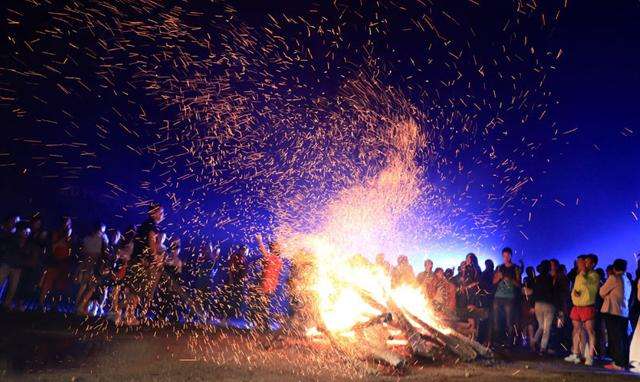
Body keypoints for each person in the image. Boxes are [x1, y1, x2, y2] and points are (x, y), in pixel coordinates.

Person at [123, 203, 164, 325]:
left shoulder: (145, 224)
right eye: (161, 213)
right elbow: (151, 240)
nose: (163, 215)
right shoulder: (151, 225)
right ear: (154, 213)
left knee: (135, 290)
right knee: (137, 291)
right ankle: (129, 317)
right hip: (141, 262)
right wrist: (155, 256)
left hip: (137, 261)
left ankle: (128, 315)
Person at [564, 254, 600, 366]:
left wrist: (583, 271)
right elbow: (576, 289)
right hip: (577, 306)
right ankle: (576, 354)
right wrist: (574, 294)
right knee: (576, 330)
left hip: (587, 306)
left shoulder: (594, 275)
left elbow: (588, 285)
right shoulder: (579, 275)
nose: (585, 263)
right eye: (584, 261)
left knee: (590, 331)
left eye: (587, 262)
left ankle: (590, 357)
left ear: (593, 263)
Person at [600, 259, 632, 370]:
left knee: (615, 337)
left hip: (613, 311)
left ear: (614, 268)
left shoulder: (613, 278)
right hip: (624, 312)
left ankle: (618, 363)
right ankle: (624, 362)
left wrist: (607, 295)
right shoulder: (627, 279)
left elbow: (602, 292)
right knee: (623, 338)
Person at [39, 217, 73, 310]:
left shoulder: (70, 235)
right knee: (48, 283)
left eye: (68, 223)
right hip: (54, 261)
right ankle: (41, 303)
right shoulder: (56, 233)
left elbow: (71, 248)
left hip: (64, 263)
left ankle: (55, 305)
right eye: (65, 222)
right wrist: (60, 241)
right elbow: (53, 246)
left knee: (59, 285)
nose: (66, 224)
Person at [76, 222, 108, 315]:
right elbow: (104, 253)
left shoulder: (87, 238)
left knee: (83, 286)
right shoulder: (102, 238)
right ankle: (82, 306)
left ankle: (78, 306)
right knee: (92, 288)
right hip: (95, 265)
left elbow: (82, 251)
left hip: (86, 264)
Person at [492, 247, 521, 347]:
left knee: (509, 320)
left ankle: (509, 342)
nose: (506, 257)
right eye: (504, 256)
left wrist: (511, 280)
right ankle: (498, 341)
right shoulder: (499, 267)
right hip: (498, 296)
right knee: (497, 319)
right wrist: (498, 277)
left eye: (508, 255)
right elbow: (494, 282)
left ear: (511, 256)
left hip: (509, 297)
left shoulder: (515, 268)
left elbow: (519, 284)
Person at [254, 234, 283, 331]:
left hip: (265, 286)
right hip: (270, 287)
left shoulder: (271, 258)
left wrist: (259, 240)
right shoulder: (278, 260)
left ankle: (263, 325)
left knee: (262, 306)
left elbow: (263, 251)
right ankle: (264, 324)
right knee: (264, 305)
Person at [0, 221, 29, 309]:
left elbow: (26, 253)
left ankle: (6, 305)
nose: (26, 233)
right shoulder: (11, 237)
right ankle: (6, 304)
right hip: (7, 263)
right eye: (24, 231)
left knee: (13, 288)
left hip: (17, 266)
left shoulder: (27, 241)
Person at [532, 260, 557, 354]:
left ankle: (534, 341)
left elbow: (534, 292)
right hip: (548, 305)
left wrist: (532, 305)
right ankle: (542, 347)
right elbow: (553, 292)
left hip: (538, 304)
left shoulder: (537, 278)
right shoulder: (551, 278)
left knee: (541, 326)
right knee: (547, 328)